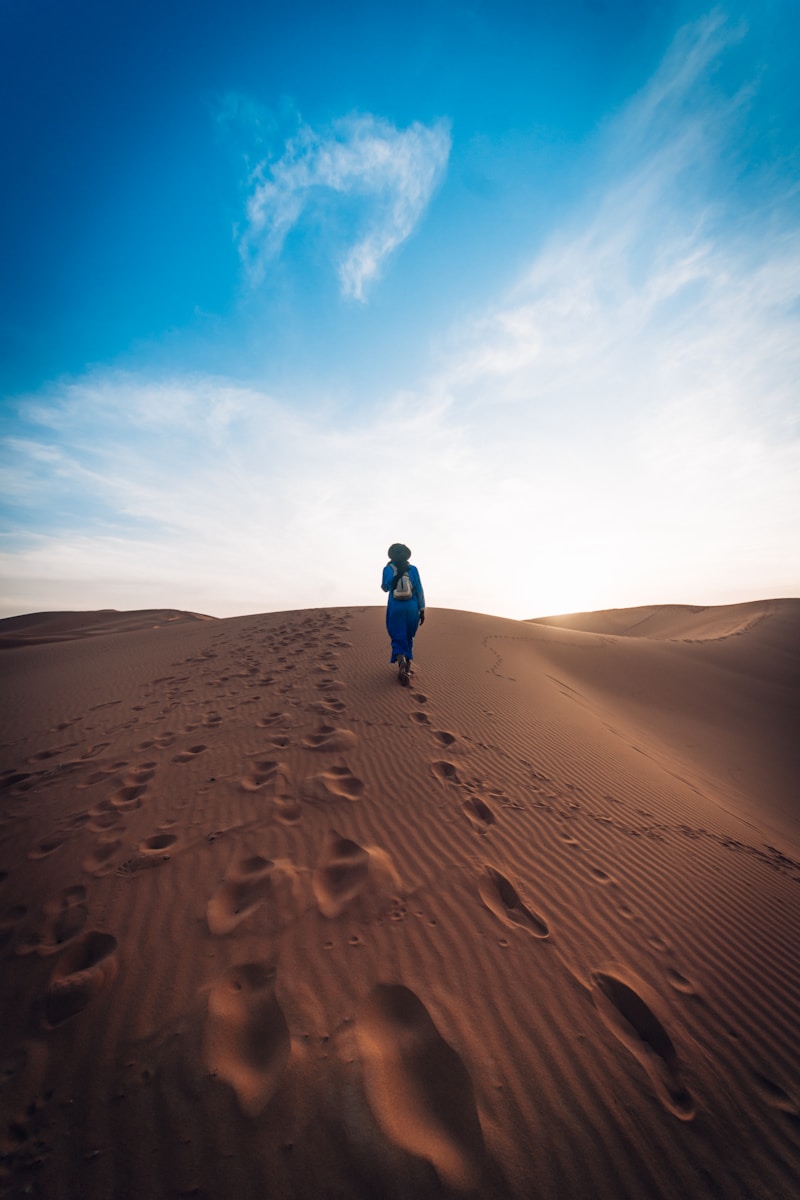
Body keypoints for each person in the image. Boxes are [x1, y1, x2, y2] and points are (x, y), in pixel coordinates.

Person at [381, 543, 426, 685]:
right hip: (412, 607)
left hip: (395, 607)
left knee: (397, 634)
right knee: (409, 635)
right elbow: (419, 589)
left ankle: (401, 660)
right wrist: (422, 609)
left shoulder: (387, 569)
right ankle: (408, 665)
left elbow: (385, 587)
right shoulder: (413, 569)